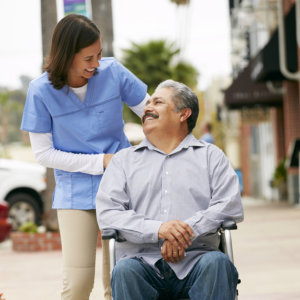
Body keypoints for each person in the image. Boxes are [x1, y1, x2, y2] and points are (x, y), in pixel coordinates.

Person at [21, 14, 149, 300]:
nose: (96, 64)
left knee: (118, 280)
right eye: (88, 58)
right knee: (78, 283)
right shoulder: (40, 91)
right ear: (66, 56)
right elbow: (43, 153)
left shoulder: (113, 72)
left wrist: (152, 154)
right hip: (74, 193)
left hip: (121, 187)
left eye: (99, 54)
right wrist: (99, 161)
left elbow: (151, 114)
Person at [96, 80, 244, 300]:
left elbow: (229, 205)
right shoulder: (123, 162)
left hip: (198, 260)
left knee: (218, 263)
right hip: (141, 264)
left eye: (158, 102)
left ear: (183, 114)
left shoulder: (211, 157)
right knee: (125, 271)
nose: (147, 107)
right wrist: (159, 229)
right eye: (148, 103)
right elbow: (108, 214)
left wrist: (184, 233)